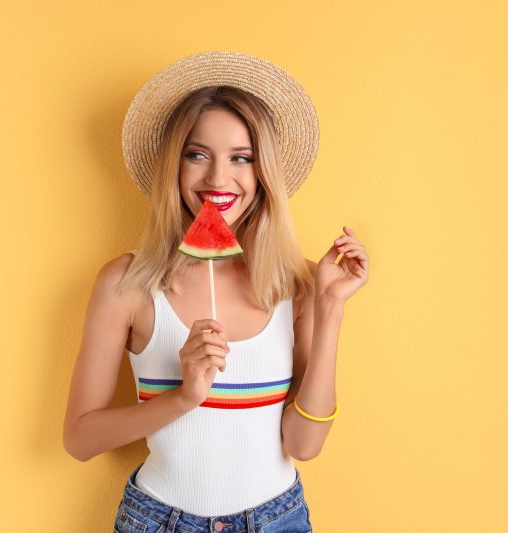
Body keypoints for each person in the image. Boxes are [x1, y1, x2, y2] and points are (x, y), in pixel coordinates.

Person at [63, 51, 369, 533]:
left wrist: (330, 308)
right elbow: (80, 439)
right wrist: (183, 398)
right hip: (157, 520)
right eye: (197, 154)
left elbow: (304, 445)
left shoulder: (303, 285)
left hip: (277, 519)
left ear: (263, 173)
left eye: (241, 158)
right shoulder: (127, 284)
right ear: (174, 165)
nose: (217, 179)